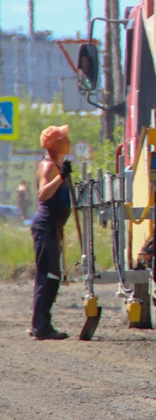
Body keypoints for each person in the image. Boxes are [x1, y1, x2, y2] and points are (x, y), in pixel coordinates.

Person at [30, 124, 73, 340]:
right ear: (55, 144)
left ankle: (41, 322)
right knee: (47, 277)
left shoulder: (55, 164)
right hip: (45, 227)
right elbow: (43, 194)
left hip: (52, 228)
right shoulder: (49, 167)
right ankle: (40, 327)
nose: (69, 141)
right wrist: (61, 177)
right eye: (65, 138)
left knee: (52, 277)